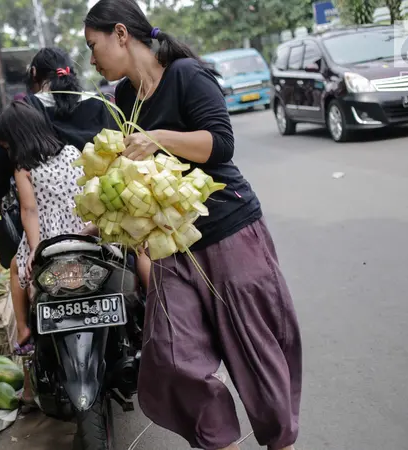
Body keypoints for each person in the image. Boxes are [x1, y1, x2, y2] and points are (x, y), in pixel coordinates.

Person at [83, 2, 302, 450]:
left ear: (121, 34)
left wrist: (158, 139)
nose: (91, 58)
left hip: (228, 229)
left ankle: (280, 441)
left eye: (93, 45)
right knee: (172, 357)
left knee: (255, 352)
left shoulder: (186, 76)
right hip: (170, 247)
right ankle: (222, 442)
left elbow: (220, 144)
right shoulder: (124, 97)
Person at [0, 100, 88, 353]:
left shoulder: (24, 167)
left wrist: (36, 248)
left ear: (17, 139)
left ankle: (23, 328)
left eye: (7, 145)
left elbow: (30, 210)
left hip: (50, 237)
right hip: (84, 230)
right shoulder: (72, 152)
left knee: (15, 267)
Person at [0, 47, 117, 211]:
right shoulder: (101, 103)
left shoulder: (24, 112)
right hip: (106, 211)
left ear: (34, 72)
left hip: (49, 225)